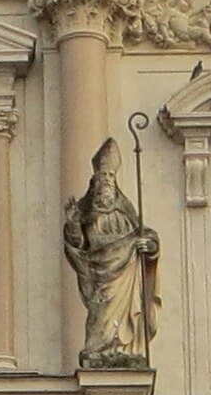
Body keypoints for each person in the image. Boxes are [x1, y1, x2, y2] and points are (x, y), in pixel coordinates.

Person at [63, 138, 158, 368]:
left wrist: (150, 246)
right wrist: (73, 224)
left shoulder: (126, 212)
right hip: (98, 271)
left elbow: (144, 234)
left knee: (123, 316)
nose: (106, 183)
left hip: (125, 271)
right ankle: (101, 349)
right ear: (94, 185)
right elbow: (78, 245)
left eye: (110, 178)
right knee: (100, 312)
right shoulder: (87, 214)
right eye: (102, 179)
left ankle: (122, 349)